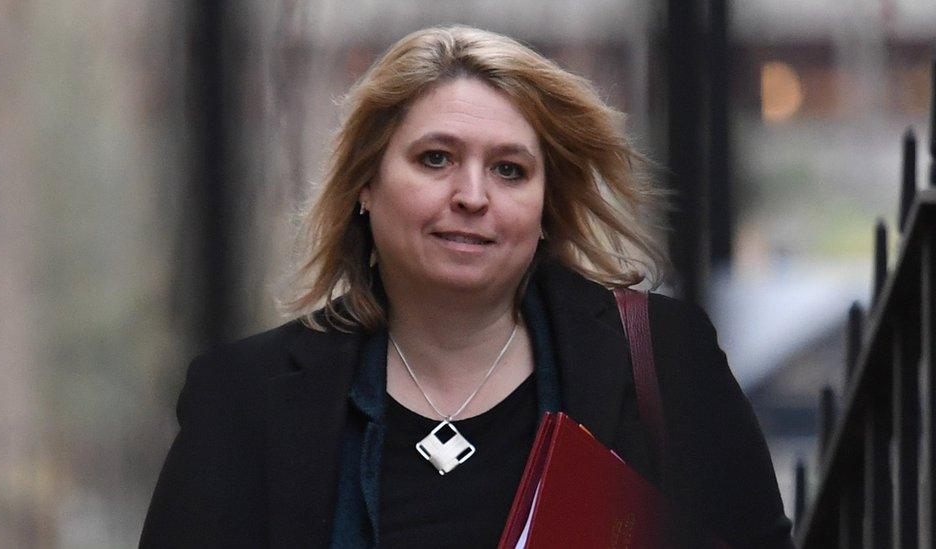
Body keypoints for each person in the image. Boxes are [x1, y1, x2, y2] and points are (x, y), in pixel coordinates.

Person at [140, 25, 794, 548]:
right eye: (435, 158)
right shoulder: (244, 396)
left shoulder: (660, 358)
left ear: (545, 206)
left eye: (510, 169)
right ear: (366, 184)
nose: (472, 196)